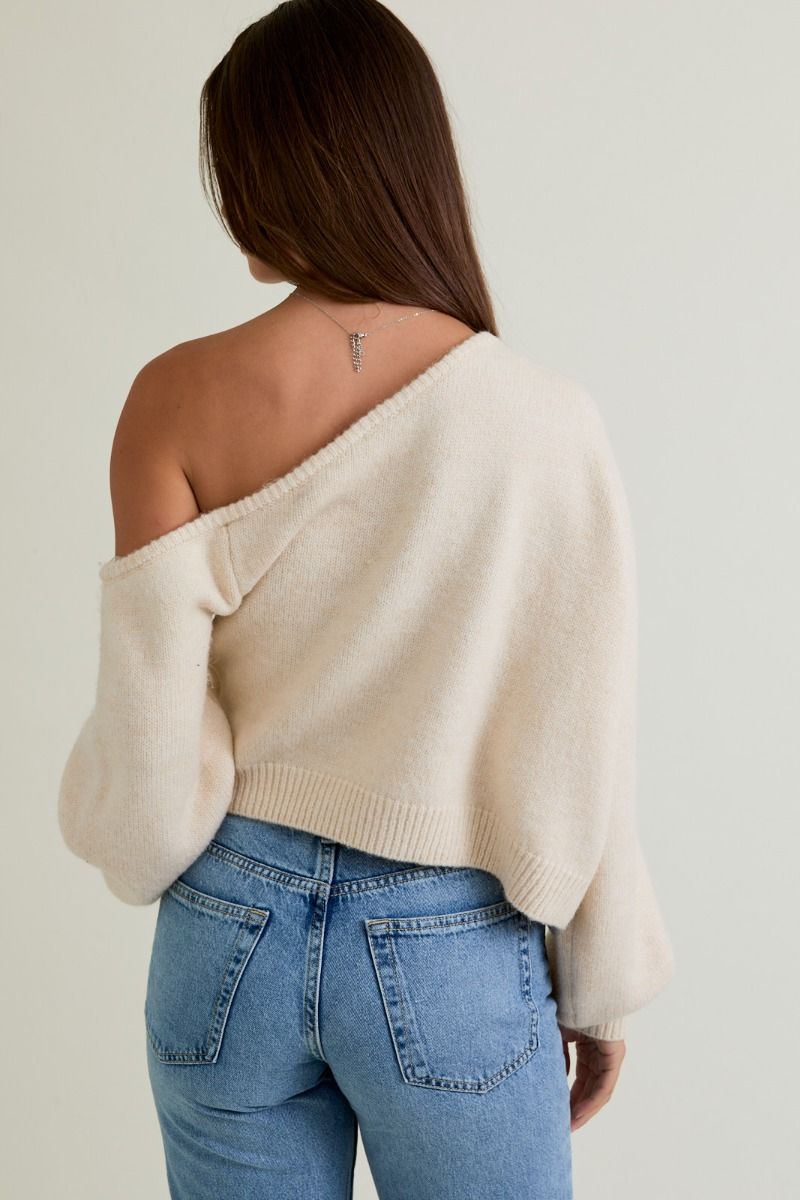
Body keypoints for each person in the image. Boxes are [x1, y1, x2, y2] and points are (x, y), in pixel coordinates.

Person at [57, 2, 675, 1197]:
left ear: (271, 174)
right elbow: (579, 740)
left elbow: (147, 791)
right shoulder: (547, 425)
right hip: (449, 949)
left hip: (223, 936)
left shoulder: (171, 401)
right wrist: (599, 985)